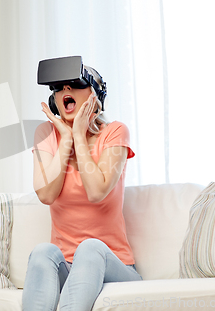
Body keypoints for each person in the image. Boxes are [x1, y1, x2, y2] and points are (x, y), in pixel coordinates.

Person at [24, 62, 141, 311]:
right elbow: (46, 194)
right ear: (54, 99)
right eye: (58, 86)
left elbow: (97, 191)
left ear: (95, 97)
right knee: (43, 252)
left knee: (89, 248)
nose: (66, 87)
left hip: (114, 266)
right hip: (68, 270)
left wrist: (79, 134)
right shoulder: (46, 134)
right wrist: (65, 139)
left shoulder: (115, 132)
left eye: (76, 83)